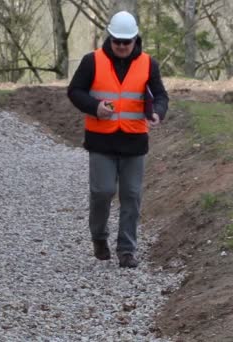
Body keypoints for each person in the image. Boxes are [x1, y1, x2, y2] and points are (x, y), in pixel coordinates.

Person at [67, 11, 169, 268]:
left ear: (136, 39)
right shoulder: (92, 61)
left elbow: (160, 95)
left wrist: (158, 112)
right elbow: (74, 91)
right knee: (102, 191)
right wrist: (94, 106)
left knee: (131, 195)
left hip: (134, 141)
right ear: (109, 38)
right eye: (117, 41)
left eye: (127, 42)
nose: (122, 46)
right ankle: (99, 237)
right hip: (101, 141)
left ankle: (127, 250)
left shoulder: (149, 64)